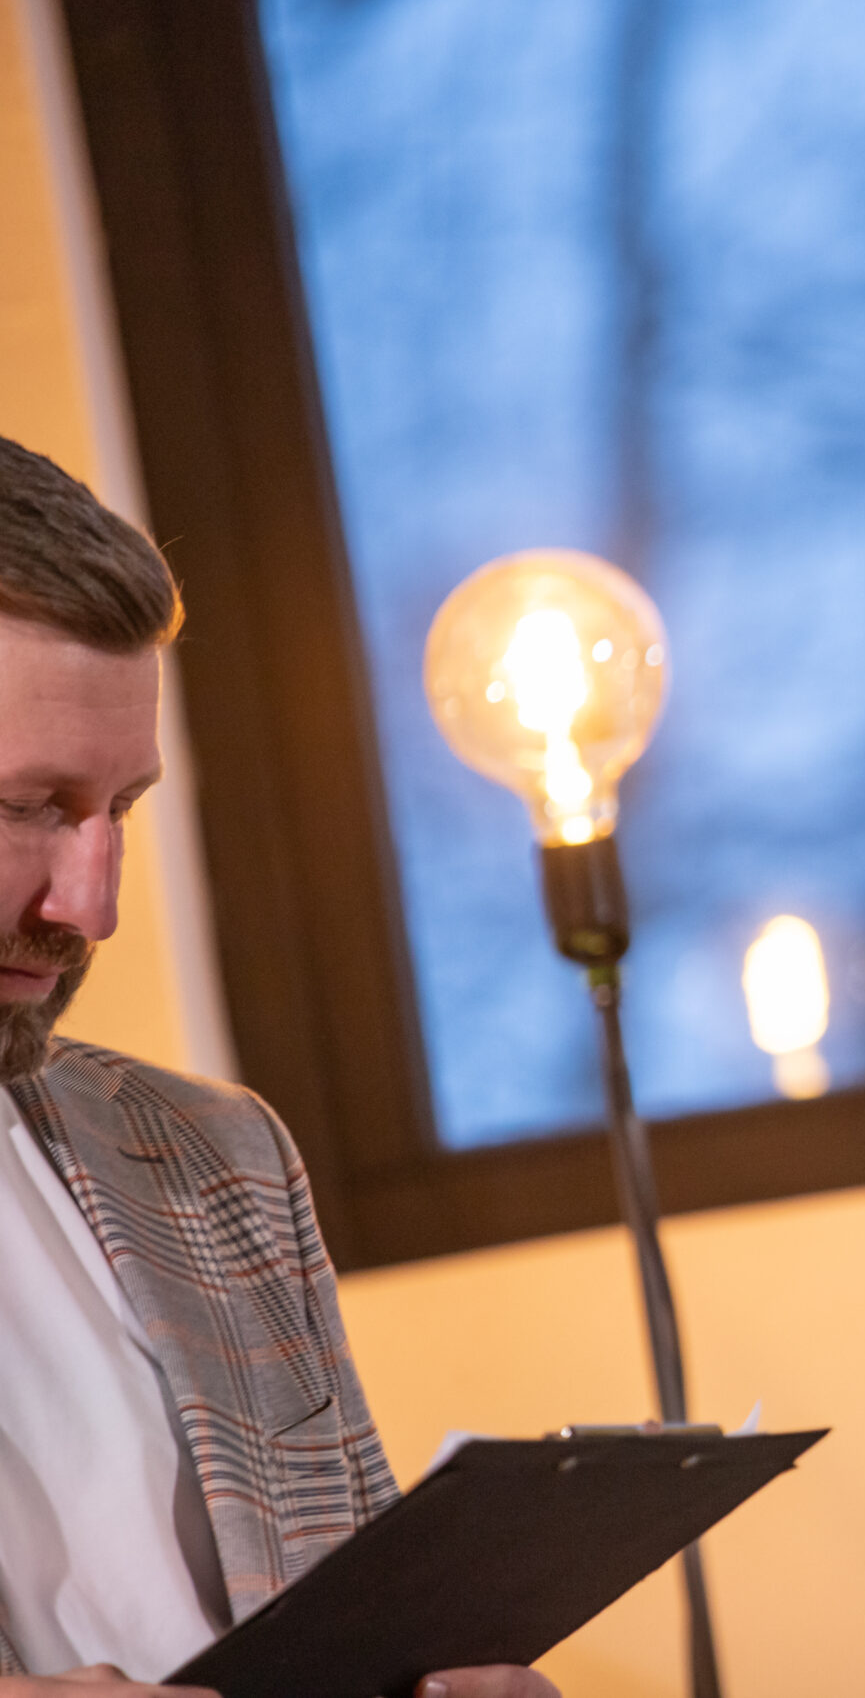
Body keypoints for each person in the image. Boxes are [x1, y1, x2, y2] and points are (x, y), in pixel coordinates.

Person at [0, 436, 554, 1698]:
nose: (91, 907)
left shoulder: (219, 1157)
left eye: (120, 810)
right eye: (26, 806)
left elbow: (357, 1626)